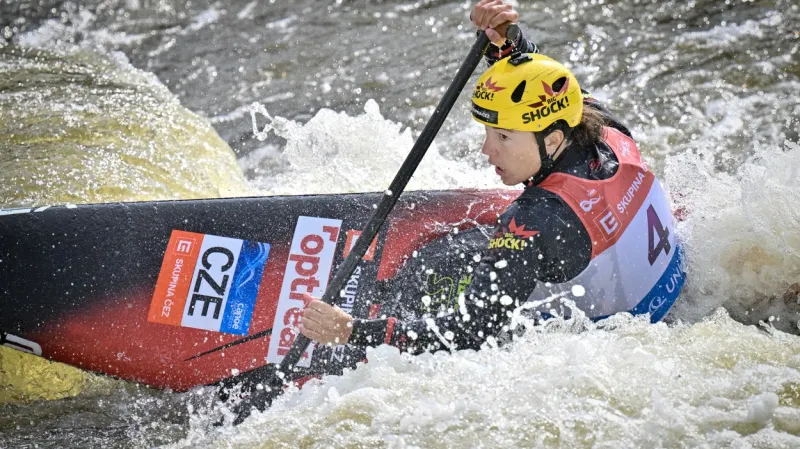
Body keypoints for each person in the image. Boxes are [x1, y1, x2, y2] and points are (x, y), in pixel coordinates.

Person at [299, 0, 686, 355]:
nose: (488, 150)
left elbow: (471, 329)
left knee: (435, 261)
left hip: (613, 345)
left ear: (551, 139)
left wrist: (354, 331)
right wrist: (506, 43)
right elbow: (546, 83)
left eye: (502, 137)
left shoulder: (536, 218)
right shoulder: (601, 125)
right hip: (668, 297)